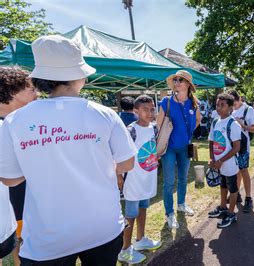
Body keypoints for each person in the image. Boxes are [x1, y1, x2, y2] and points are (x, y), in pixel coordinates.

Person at [0, 35, 136, 264]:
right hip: (103, 227)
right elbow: (127, 163)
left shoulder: (15, 121)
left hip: (48, 238)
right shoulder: (104, 114)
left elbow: (10, 179)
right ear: (79, 76)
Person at [0, 67, 38, 264]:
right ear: (13, 91)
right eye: (31, 89)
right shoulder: (4, 127)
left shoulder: (15, 122)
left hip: (14, 210)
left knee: (21, 244)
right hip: (11, 205)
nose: (37, 94)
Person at [118, 95, 162, 264]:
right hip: (133, 180)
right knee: (130, 214)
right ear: (135, 111)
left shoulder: (154, 128)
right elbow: (118, 154)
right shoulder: (130, 130)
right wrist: (118, 176)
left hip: (147, 177)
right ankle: (125, 249)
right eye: (145, 109)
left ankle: (140, 239)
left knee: (143, 208)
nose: (150, 112)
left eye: (152, 109)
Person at [156, 70, 201, 229]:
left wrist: (186, 133)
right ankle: (169, 213)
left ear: (188, 84)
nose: (176, 82)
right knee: (169, 182)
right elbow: (158, 124)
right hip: (169, 148)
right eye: (175, 79)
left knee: (183, 178)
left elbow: (198, 119)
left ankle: (181, 204)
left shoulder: (194, 102)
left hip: (186, 147)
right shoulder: (166, 102)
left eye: (180, 79)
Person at [207, 93, 241, 228]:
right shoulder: (215, 121)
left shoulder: (233, 124)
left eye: (222, 105)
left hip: (230, 163)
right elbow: (211, 140)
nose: (219, 108)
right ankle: (222, 207)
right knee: (223, 185)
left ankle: (231, 213)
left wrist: (221, 160)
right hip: (218, 162)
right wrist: (212, 157)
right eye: (217, 105)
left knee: (232, 187)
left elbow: (236, 147)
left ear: (230, 107)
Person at [228, 90, 254, 213]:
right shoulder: (230, 110)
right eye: (232, 105)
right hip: (231, 145)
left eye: (234, 103)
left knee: (244, 170)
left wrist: (242, 125)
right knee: (236, 171)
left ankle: (248, 198)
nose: (233, 107)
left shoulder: (248, 109)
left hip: (243, 146)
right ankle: (237, 194)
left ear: (239, 99)